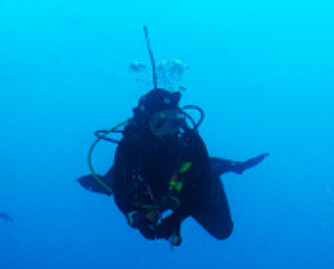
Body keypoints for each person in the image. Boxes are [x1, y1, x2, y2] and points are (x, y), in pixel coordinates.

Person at [78, 87, 267, 245]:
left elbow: (201, 185)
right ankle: (107, 182)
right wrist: (137, 219)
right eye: (161, 123)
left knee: (222, 229)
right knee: (117, 186)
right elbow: (122, 196)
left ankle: (222, 166)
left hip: (185, 185)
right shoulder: (130, 146)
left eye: (175, 122)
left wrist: (178, 217)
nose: (169, 130)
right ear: (147, 122)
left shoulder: (189, 143)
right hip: (149, 187)